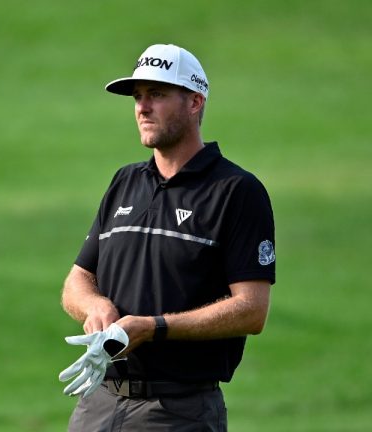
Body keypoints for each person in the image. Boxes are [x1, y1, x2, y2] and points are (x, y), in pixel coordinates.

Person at [60, 44, 275, 431]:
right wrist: (95, 307)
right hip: (98, 402)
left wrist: (154, 327)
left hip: (179, 411)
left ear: (195, 102)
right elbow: (78, 279)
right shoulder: (124, 182)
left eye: (157, 95)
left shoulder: (236, 191)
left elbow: (252, 309)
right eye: (138, 97)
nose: (142, 107)